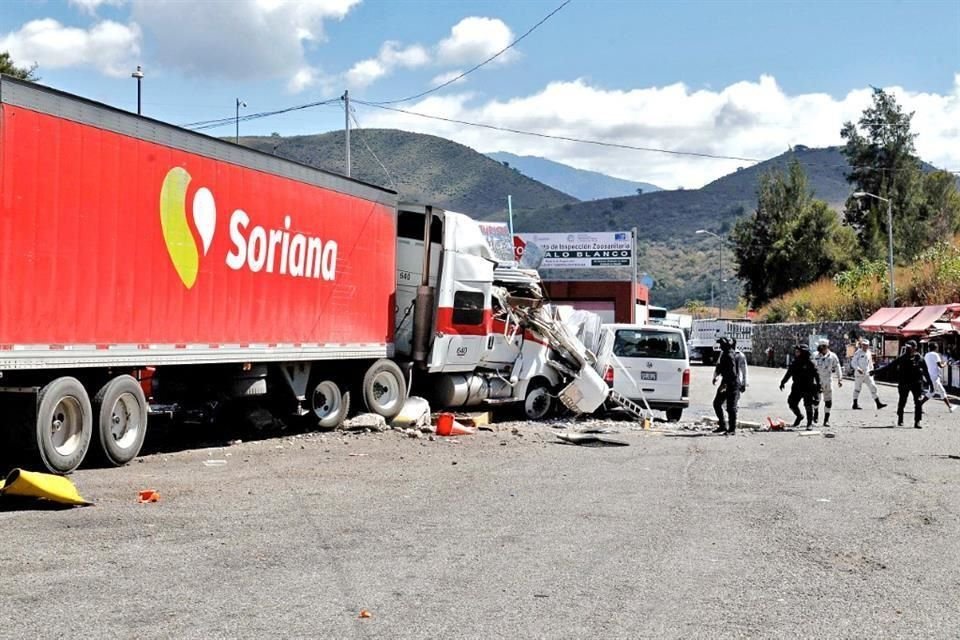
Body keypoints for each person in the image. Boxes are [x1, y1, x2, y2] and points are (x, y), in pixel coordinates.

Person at [872, 340, 934, 428]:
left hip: (916, 383)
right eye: (907, 347)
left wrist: (930, 384)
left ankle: (917, 421)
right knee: (902, 401)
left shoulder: (919, 358)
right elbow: (889, 366)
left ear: (915, 348)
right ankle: (900, 418)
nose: (908, 349)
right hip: (904, 383)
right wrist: (875, 371)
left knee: (918, 402)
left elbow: (926, 372)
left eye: (910, 347)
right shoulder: (902, 358)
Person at [780, 344, 821, 429]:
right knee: (791, 403)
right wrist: (783, 382)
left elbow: (817, 376)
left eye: (798, 352)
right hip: (797, 387)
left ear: (803, 352)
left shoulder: (810, 363)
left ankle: (809, 423)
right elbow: (788, 373)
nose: (796, 353)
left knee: (808, 405)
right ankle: (799, 416)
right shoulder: (795, 362)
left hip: (808, 387)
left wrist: (818, 388)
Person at [711, 337, 740, 435]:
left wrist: (725, 384)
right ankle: (722, 425)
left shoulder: (729, 355)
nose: (720, 346)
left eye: (722, 344)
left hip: (732, 383)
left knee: (731, 407)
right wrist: (716, 376)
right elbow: (721, 366)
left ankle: (732, 429)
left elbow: (732, 373)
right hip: (726, 382)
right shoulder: (725, 354)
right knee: (717, 403)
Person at [813, 338, 843, 427]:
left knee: (828, 400)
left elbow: (837, 367)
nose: (819, 348)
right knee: (816, 400)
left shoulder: (832, 356)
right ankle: (816, 412)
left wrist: (840, 378)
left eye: (821, 346)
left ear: (825, 347)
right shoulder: (814, 355)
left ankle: (826, 420)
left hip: (827, 380)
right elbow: (810, 367)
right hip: (817, 380)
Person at [850, 339, 887, 410]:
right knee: (857, 389)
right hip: (859, 374)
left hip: (867, 373)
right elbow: (853, 363)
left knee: (873, 387)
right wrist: (858, 369)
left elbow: (870, 363)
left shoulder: (869, 353)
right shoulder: (858, 353)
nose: (864, 346)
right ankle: (855, 404)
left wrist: (872, 371)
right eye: (863, 345)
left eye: (866, 345)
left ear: (868, 346)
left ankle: (878, 403)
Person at [923, 343, 954, 413]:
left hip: (931, 376)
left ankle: (949, 407)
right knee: (931, 392)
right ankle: (919, 405)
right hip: (934, 376)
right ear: (935, 348)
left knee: (942, 391)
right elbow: (940, 365)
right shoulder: (935, 355)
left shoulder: (926, 355)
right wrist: (946, 363)